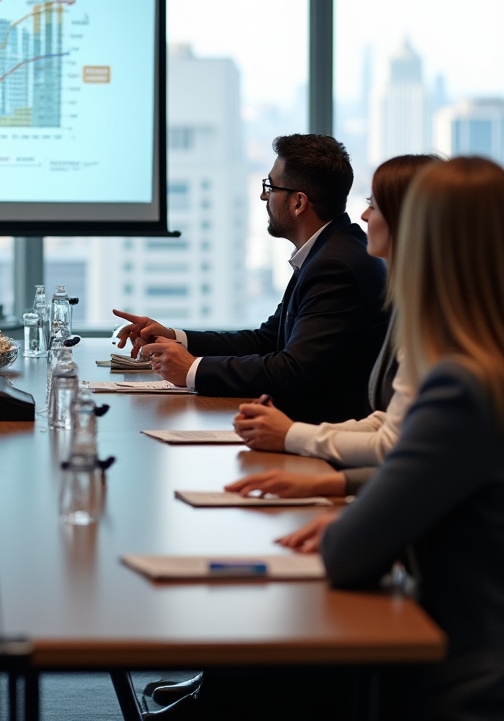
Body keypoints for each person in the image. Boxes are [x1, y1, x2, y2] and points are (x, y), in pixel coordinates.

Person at [284, 156, 504, 721]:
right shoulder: (486, 368)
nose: (363, 218)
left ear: (425, 246)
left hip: (460, 669)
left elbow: (348, 555)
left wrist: (355, 513)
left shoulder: (460, 384)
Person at [114, 134, 389, 424]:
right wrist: (175, 337)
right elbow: (267, 340)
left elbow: (294, 370)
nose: (263, 196)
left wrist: (193, 368)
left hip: (321, 442)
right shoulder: (329, 250)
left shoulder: (335, 264)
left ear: (299, 202)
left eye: (270, 187)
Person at [225, 154, 438, 501]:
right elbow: (391, 422)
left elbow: (398, 446)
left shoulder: (340, 264)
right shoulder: (416, 304)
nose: (365, 216)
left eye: (374, 205)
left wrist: (293, 435)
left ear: (411, 221)